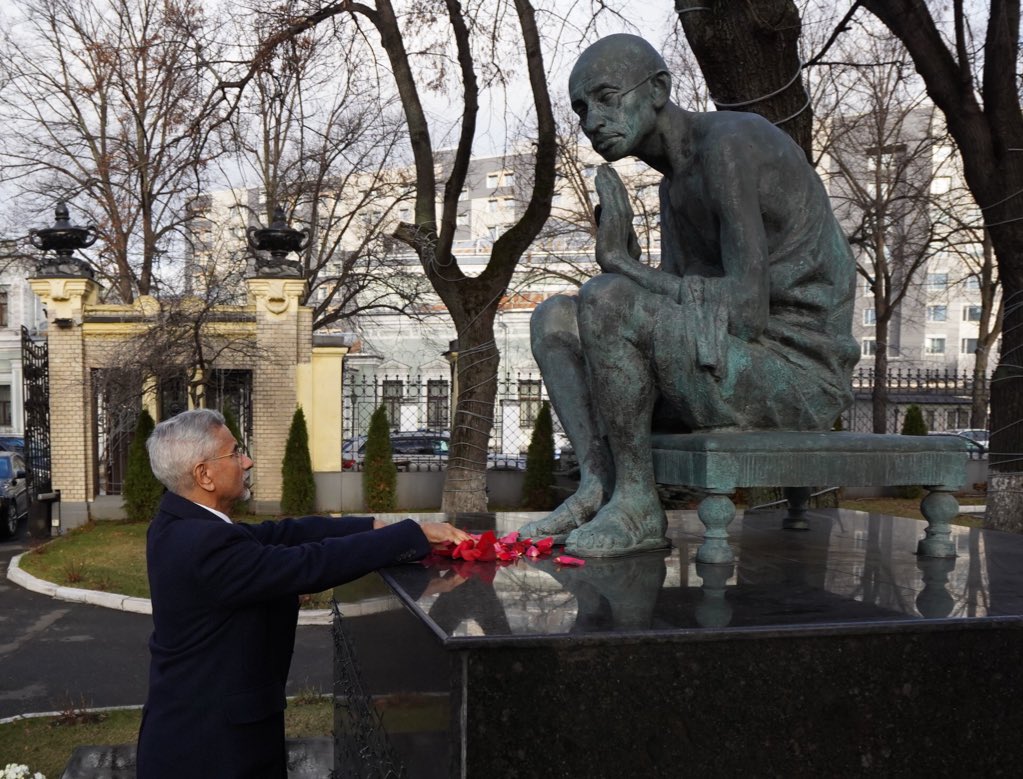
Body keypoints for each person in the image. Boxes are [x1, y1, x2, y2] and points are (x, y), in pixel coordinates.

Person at [519, 34, 859, 557]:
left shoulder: (729, 143)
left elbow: (744, 311)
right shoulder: (673, 184)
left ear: (659, 88)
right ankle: (598, 485)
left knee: (607, 296)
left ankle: (639, 504)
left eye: (606, 97)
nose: (590, 123)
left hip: (795, 371)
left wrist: (622, 269)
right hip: (731, 359)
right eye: (582, 109)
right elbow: (683, 304)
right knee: (555, 318)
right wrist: (628, 265)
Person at [135, 408, 469, 778]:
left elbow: (285, 535)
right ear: (204, 474)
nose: (247, 461)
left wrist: (374, 526)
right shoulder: (202, 544)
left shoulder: (184, 524)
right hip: (209, 751)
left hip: (206, 734)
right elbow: (308, 564)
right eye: (234, 453)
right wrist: (411, 535)